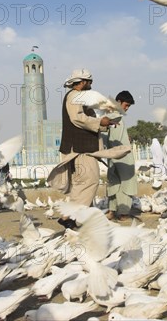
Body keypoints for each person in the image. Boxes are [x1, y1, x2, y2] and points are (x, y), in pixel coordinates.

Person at [57, 69, 112, 229]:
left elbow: (84, 119)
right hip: (80, 148)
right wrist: (100, 122)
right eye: (89, 82)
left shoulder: (79, 98)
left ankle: (75, 218)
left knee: (82, 184)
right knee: (90, 180)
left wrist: (103, 124)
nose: (91, 85)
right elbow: (77, 118)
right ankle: (71, 217)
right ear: (81, 82)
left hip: (80, 147)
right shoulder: (75, 96)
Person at [103, 91, 137, 221]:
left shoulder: (107, 117)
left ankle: (112, 211)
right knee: (126, 183)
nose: (127, 108)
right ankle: (123, 213)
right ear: (118, 102)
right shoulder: (116, 118)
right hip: (123, 156)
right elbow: (116, 138)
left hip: (112, 155)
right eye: (126, 105)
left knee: (113, 183)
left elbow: (107, 136)